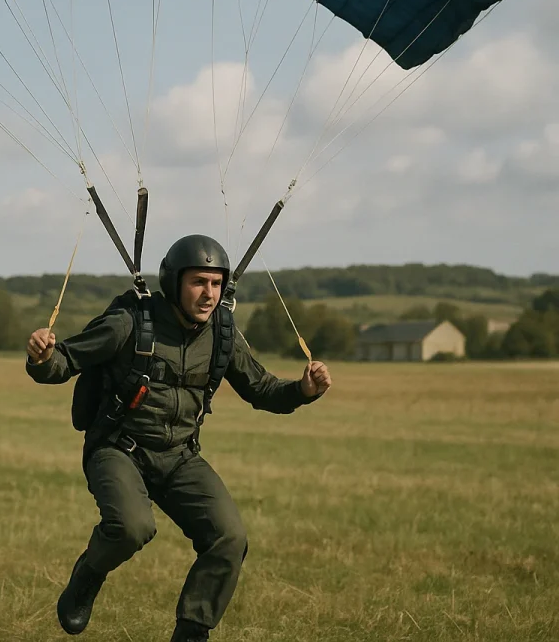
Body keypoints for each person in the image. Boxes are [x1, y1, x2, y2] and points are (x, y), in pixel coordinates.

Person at [26, 235, 332, 641]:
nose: (209, 294)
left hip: (179, 456)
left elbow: (262, 390)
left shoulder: (222, 332)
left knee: (229, 537)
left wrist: (304, 391)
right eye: (198, 282)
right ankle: (88, 574)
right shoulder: (130, 322)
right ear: (174, 283)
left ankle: (192, 630)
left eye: (216, 283)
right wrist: (41, 356)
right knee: (132, 527)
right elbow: (64, 361)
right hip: (119, 449)